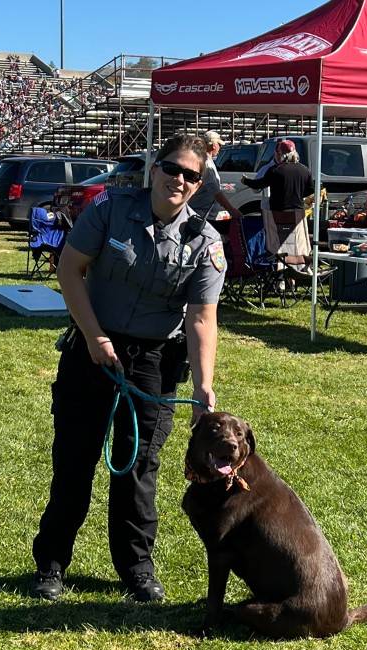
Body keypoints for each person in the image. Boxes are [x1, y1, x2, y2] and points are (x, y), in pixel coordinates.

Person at [31, 133, 227, 603]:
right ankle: (52, 564)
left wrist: (204, 386)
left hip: (154, 364)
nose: (178, 180)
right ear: (154, 169)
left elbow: (202, 317)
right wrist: (96, 337)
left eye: (190, 175)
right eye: (172, 168)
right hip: (92, 349)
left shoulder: (205, 241)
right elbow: (69, 270)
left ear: (199, 185)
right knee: (74, 462)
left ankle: (136, 568)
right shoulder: (110, 209)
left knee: (139, 470)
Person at [241, 138, 315, 263]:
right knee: (296, 245)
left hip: (277, 214)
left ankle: (279, 268)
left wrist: (245, 181)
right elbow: (310, 190)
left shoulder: (275, 170)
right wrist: (297, 193)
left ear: (281, 154)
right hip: (297, 214)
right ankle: (299, 268)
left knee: (279, 247)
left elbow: (259, 184)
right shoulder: (305, 170)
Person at [187, 130, 241, 234]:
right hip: (203, 215)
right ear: (214, 145)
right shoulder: (207, 164)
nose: (220, 147)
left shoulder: (204, 160)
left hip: (201, 212)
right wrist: (231, 210)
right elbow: (216, 192)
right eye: (219, 144)